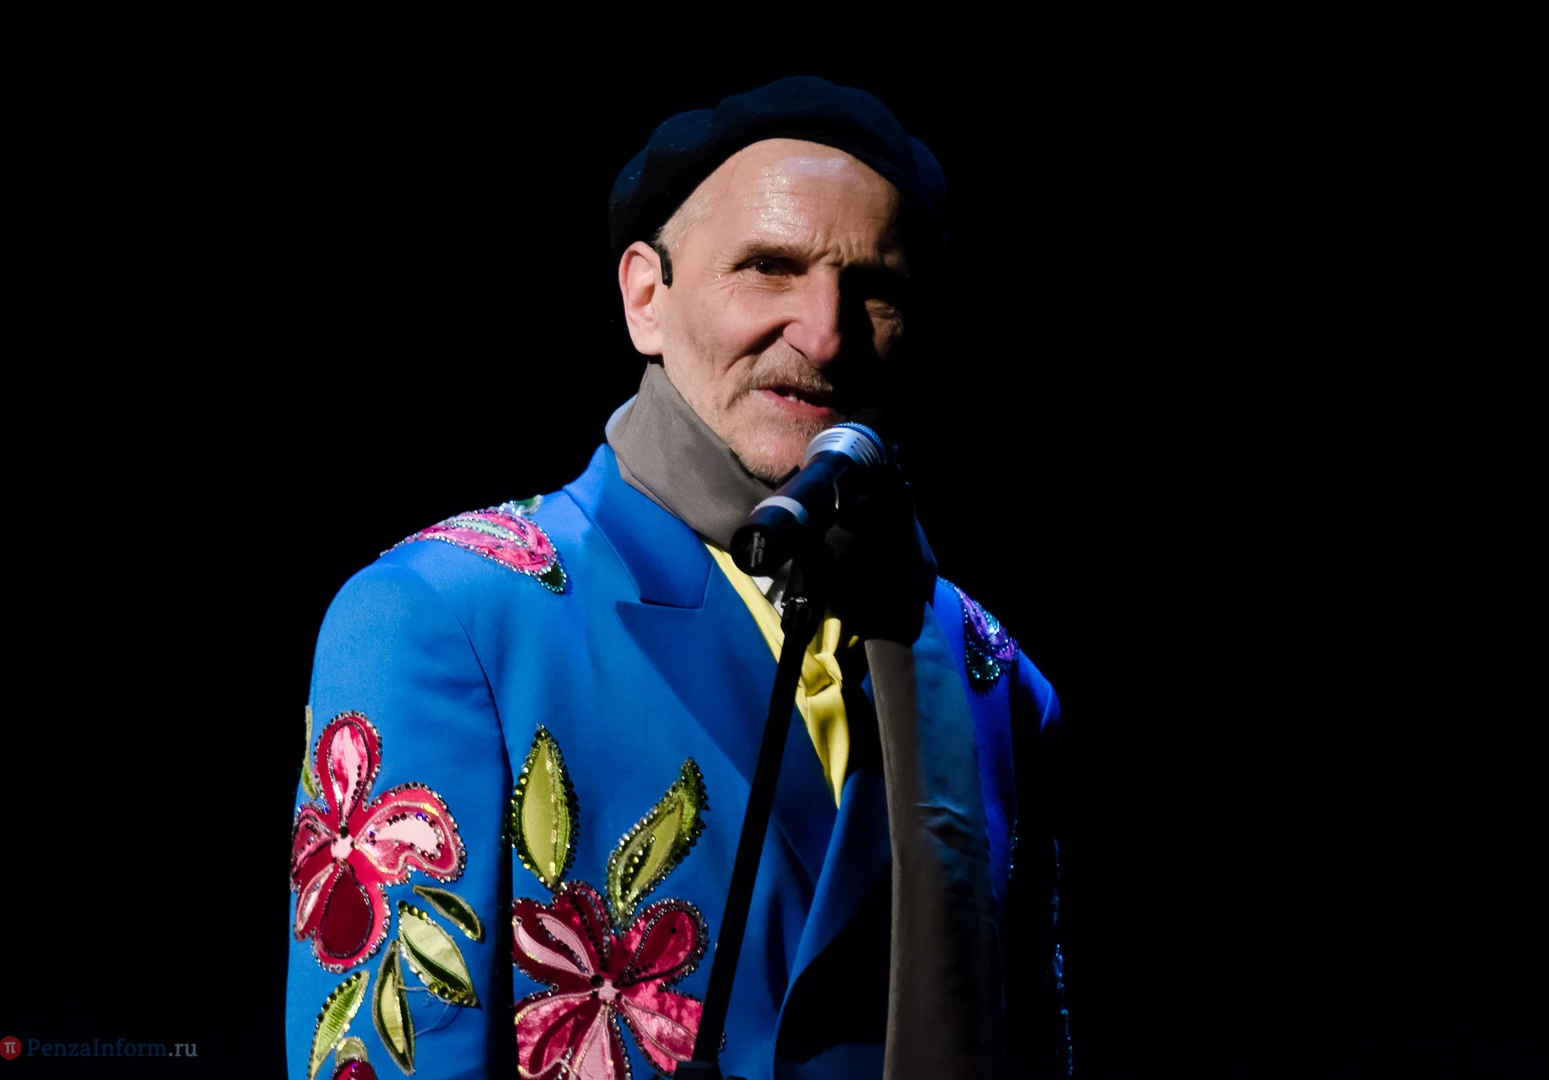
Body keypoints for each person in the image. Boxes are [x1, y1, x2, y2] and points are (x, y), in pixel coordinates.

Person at [284, 76, 1065, 1080]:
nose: (825, 332)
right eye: (767, 268)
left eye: (877, 288)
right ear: (644, 297)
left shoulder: (995, 681)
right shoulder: (446, 616)